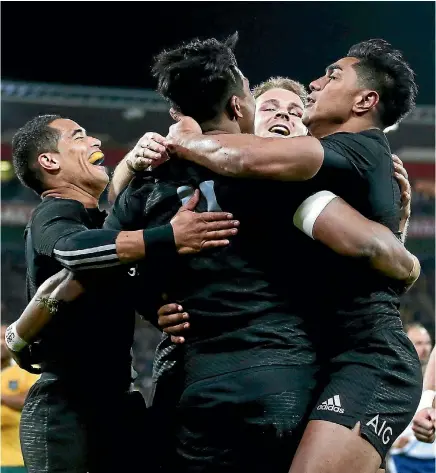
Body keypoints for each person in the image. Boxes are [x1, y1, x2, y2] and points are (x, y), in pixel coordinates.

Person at [108, 34, 420, 473]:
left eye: (330, 77)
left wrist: (179, 138)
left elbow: (374, 247)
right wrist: (130, 167)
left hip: (359, 360)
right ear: (245, 113)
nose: (313, 86)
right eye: (271, 107)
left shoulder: (327, 163)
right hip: (282, 368)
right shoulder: (280, 176)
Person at [10, 114, 238, 473]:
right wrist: (168, 237)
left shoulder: (103, 225)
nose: (95, 141)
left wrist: (155, 308)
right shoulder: (55, 211)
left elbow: (114, 277)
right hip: (67, 409)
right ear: (49, 161)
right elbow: (72, 250)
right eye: (79, 136)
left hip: (116, 401)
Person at [388, 330, 435, 473]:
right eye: (419, 343)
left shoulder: (432, 379)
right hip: (405, 460)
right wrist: (393, 445)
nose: (425, 348)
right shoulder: (393, 379)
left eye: (427, 343)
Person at [1, 324, 39, 473]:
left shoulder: (28, 370)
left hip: (17, 461)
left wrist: (2, 398)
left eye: (4, 338)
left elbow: (33, 400)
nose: (1, 343)